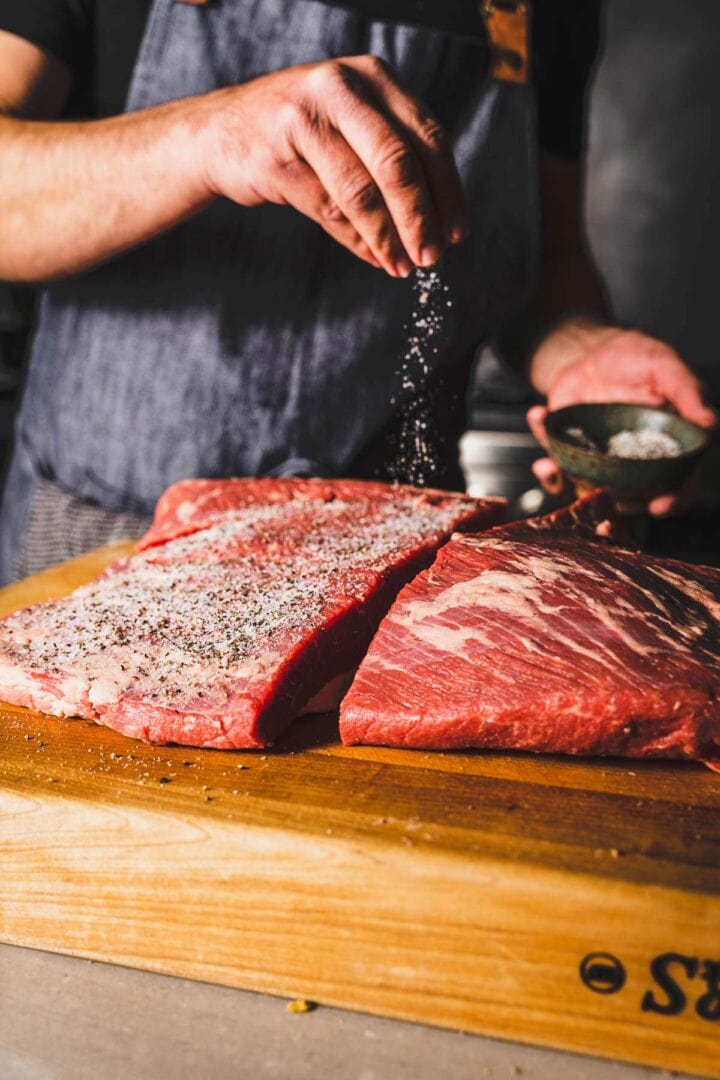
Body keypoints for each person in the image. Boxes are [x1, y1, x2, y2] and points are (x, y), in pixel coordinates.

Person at [0, 0, 714, 584]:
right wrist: (207, 136)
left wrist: (578, 346)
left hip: (393, 559)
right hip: (109, 538)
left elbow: (546, 258)